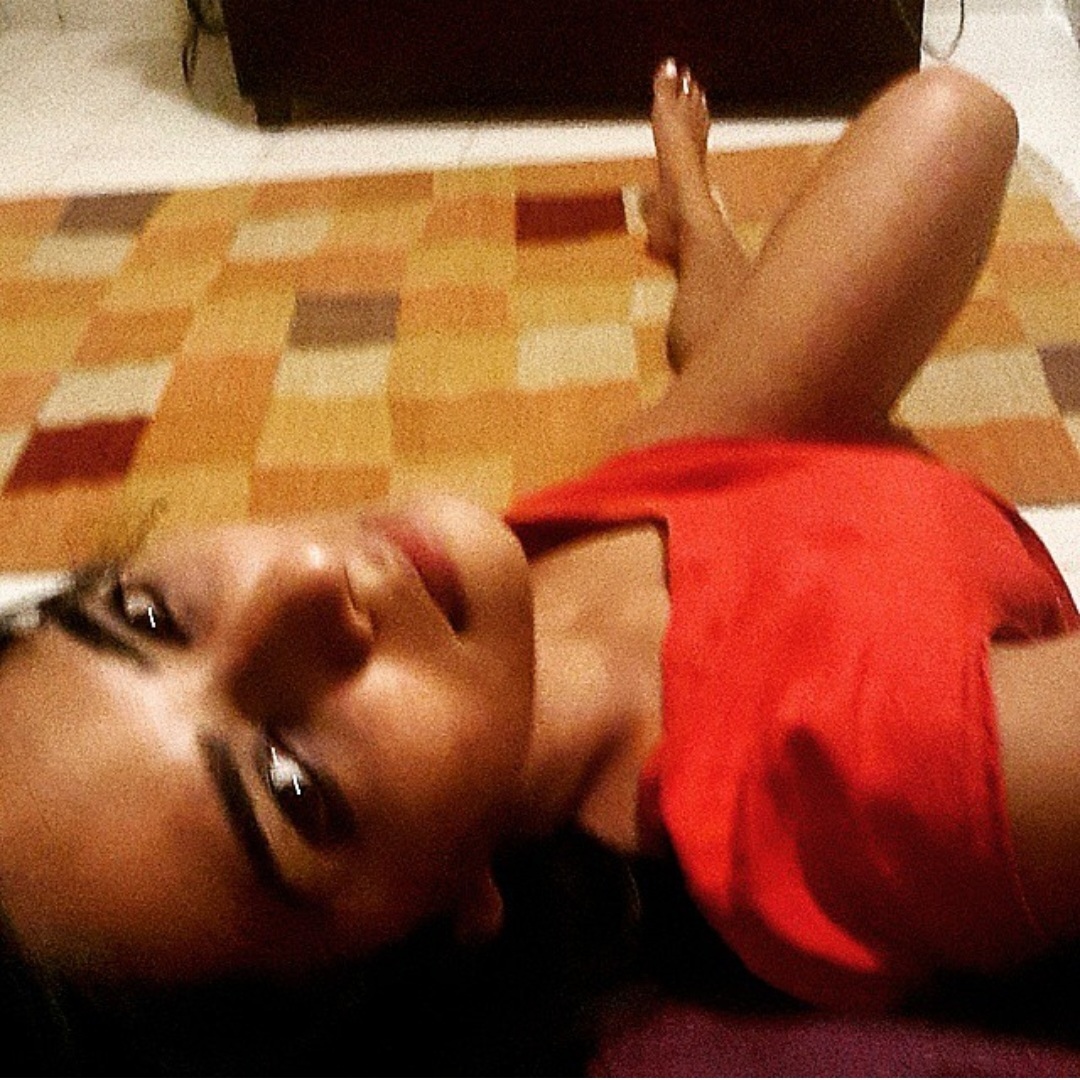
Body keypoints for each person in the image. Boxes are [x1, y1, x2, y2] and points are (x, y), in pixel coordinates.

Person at [0, 57, 1074, 1032]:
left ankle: (693, 217)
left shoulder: (502, 593)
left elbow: (962, 121)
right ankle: (701, 244)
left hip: (706, 484)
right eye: (293, 789)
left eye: (149, 615)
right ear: (442, 932)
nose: (309, 577)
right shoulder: (853, 787)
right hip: (871, 504)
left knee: (942, 126)